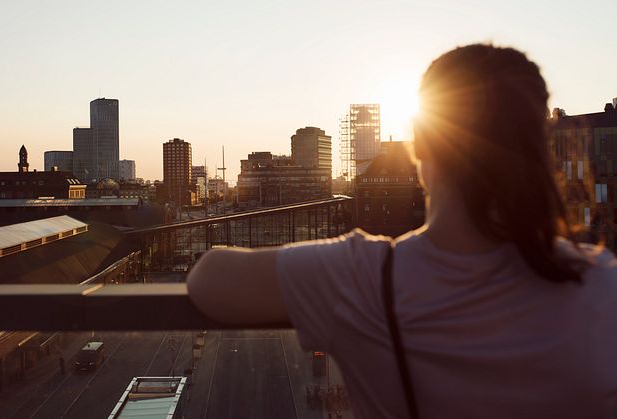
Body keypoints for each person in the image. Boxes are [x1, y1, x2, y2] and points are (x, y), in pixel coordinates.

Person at [187, 44, 617, 418]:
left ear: (419, 144)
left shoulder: (363, 278)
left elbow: (210, 278)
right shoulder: (601, 284)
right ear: (540, 148)